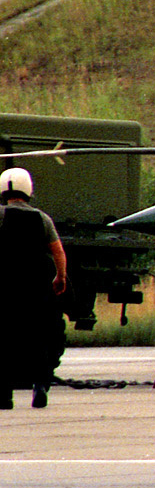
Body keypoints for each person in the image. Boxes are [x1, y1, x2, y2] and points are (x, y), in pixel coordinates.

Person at [0, 168, 67, 409]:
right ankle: (39, 385)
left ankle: (5, 395)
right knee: (39, 336)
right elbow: (58, 251)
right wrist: (61, 278)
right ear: (28, 189)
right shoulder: (42, 218)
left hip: (6, 286)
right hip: (37, 286)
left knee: (4, 338)